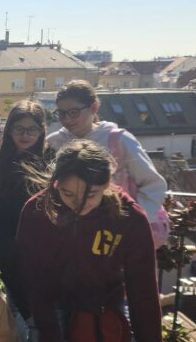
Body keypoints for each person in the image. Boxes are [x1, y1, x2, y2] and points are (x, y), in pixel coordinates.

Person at [18, 140, 165, 342]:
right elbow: (35, 281)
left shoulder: (129, 218)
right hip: (52, 303)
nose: (79, 205)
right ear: (55, 181)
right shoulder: (36, 211)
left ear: (108, 184)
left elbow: (143, 292)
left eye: (92, 195)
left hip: (107, 302)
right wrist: (49, 335)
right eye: (68, 194)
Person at [46, 80, 169, 247]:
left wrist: (132, 220)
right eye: (61, 113)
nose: (67, 119)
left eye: (73, 112)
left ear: (94, 108)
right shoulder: (55, 142)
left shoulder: (118, 140)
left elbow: (153, 184)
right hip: (73, 229)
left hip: (117, 228)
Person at [0, 99, 50, 317]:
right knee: (18, 306)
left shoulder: (50, 161)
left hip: (42, 248)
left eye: (32, 129)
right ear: (9, 129)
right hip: (9, 247)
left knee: (42, 307)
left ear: (41, 131)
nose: (25, 135)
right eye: (19, 129)